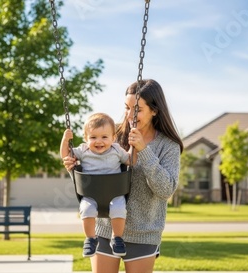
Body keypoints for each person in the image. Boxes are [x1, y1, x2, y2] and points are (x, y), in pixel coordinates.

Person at [62, 79, 183, 273]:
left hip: (144, 234)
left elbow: (165, 190)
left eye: (137, 109)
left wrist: (144, 150)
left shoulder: (168, 146)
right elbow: (93, 176)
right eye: (126, 107)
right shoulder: (110, 135)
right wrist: (74, 169)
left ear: (154, 110)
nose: (129, 115)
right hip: (104, 230)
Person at [60, 113, 131, 258]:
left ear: (113, 138)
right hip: (90, 194)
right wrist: (65, 140)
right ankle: (91, 239)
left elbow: (130, 160)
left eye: (104, 137)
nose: (99, 141)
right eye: (93, 137)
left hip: (114, 193)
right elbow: (65, 155)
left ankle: (117, 238)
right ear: (86, 139)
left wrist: (134, 147)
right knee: (86, 209)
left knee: (119, 209)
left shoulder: (117, 150)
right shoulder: (83, 150)